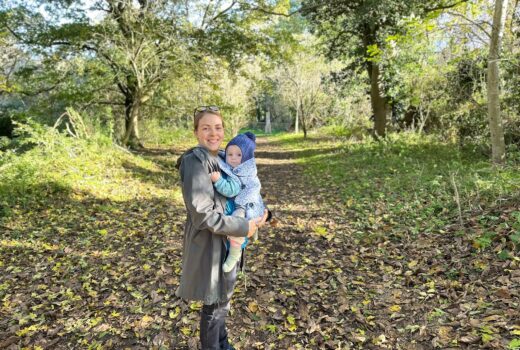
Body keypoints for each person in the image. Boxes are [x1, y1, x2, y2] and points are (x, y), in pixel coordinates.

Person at [175, 106, 268, 350]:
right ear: (196, 132)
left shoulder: (225, 156)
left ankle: (223, 345)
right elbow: (202, 215)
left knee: (222, 303)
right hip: (211, 244)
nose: (213, 133)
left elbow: (245, 188)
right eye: (206, 128)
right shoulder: (196, 161)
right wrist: (243, 226)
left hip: (228, 240)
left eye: (218, 127)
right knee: (214, 306)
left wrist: (265, 214)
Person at [209, 131, 266, 272]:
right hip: (253, 203)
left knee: (237, 223)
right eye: (230, 154)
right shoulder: (244, 166)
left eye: (238, 155)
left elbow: (232, 190)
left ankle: (234, 253)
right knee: (249, 220)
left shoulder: (240, 172)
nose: (233, 158)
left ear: (246, 157)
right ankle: (254, 231)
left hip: (245, 204)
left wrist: (218, 180)